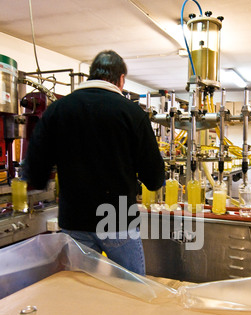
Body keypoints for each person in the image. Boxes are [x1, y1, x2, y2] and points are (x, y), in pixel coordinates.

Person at [23, 50, 165, 276]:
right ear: (121, 80)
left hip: (75, 219)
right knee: (132, 291)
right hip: (117, 219)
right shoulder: (132, 113)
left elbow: (35, 169)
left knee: (84, 293)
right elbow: (154, 176)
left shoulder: (58, 110)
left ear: (92, 75)